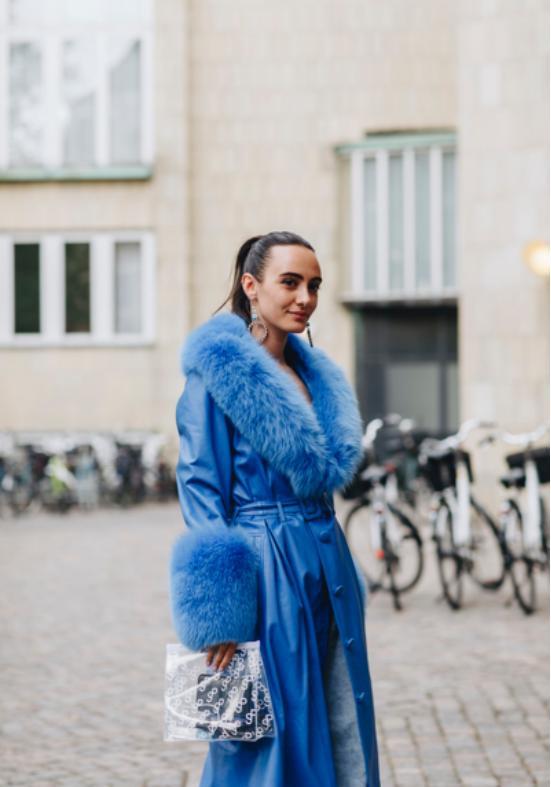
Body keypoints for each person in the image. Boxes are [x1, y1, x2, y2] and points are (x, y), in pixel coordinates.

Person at [170, 231, 380, 787]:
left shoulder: (315, 374)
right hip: (266, 575)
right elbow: (200, 487)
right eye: (290, 282)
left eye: (314, 285)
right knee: (262, 736)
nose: (304, 298)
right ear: (251, 285)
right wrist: (220, 613)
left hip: (326, 566)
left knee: (338, 720)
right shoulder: (216, 376)